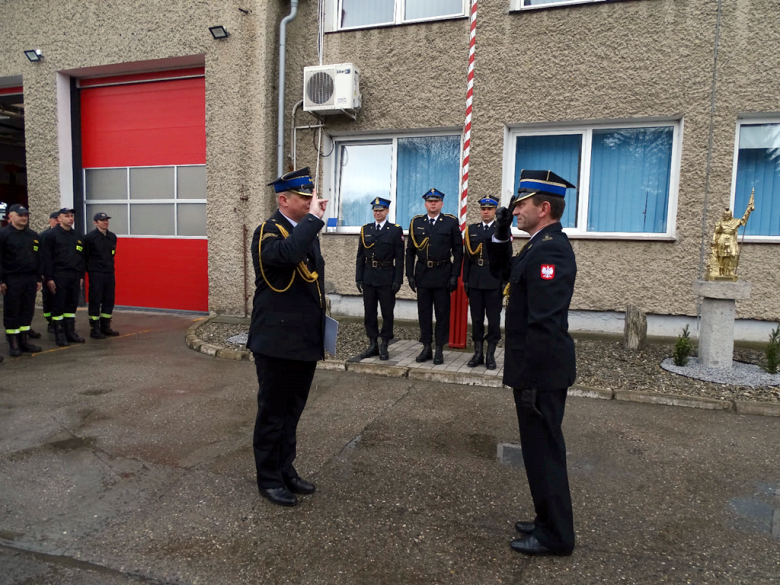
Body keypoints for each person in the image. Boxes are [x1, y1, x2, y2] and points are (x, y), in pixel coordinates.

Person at [488, 170, 578, 557]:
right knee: (538, 452)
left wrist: (533, 383)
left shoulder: (551, 249)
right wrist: (501, 232)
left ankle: (556, 536)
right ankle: (546, 521)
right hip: (535, 370)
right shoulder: (537, 244)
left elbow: (544, 321)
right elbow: (502, 273)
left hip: (541, 372)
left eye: (520, 205)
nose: (515, 209)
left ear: (544, 208)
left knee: (544, 454)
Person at [247, 167, 327, 508]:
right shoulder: (268, 232)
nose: (311, 203)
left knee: (292, 411)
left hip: (303, 340)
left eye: (311, 197)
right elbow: (287, 256)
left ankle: (285, 469)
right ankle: (268, 478)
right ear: (284, 200)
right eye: (304, 198)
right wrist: (314, 221)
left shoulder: (304, 232)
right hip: (277, 342)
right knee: (273, 413)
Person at [405, 188, 463, 365]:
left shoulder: (450, 222)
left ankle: (439, 348)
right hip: (422, 273)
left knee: (442, 313)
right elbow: (410, 252)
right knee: (424, 313)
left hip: (443, 273)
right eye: (430, 201)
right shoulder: (416, 222)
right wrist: (410, 275)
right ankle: (426, 347)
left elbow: (458, 251)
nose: (433, 204)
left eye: (436, 201)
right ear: (425, 204)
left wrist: (454, 276)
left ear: (442, 204)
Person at [355, 197, 404, 361]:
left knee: (387, 313)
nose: (377, 213)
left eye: (381, 210)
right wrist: (358, 277)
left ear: (387, 211)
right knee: (369, 312)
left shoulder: (395, 230)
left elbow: (400, 257)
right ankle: (372, 343)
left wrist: (398, 279)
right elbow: (360, 255)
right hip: (369, 276)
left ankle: (384, 343)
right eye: (375, 210)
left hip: (387, 276)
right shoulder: (365, 229)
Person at [463, 196, 503, 369]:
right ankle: (478, 353)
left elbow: (505, 258)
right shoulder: (472, 229)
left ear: (495, 211)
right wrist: (465, 280)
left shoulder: (502, 230)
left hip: (494, 280)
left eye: (489, 209)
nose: (486, 211)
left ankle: (490, 354)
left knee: (493, 320)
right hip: (476, 280)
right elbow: (467, 257)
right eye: (483, 209)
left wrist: (505, 282)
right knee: (477, 318)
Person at [0, 204, 43, 357]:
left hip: (30, 279)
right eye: (20, 215)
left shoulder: (32, 235)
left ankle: (24, 341)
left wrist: (38, 278)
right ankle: (13, 343)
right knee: (13, 312)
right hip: (12, 279)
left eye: (26, 215)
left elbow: (38, 258)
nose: (24, 218)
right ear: (10, 217)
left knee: (27, 311)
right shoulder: (3, 234)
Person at [42, 208, 86, 347]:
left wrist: (80, 275)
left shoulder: (77, 236)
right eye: (66, 216)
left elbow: (81, 257)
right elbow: (46, 259)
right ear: (59, 219)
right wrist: (49, 278)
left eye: (72, 216)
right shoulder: (51, 235)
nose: (70, 218)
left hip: (73, 276)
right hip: (58, 275)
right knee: (58, 306)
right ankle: (59, 334)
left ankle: (70, 332)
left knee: (71, 305)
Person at [84, 212, 119, 339]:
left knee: (109, 299)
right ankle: (95, 328)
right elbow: (85, 256)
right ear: (96, 222)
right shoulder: (89, 238)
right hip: (96, 274)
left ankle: (106, 326)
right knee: (95, 299)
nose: (105, 222)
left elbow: (112, 254)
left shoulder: (112, 237)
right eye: (102, 220)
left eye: (106, 220)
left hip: (109, 273)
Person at [38, 211, 60, 333]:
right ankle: (49, 322)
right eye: (55, 219)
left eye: (58, 219)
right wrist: (41, 273)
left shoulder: (63, 235)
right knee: (48, 298)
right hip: (46, 273)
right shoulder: (43, 236)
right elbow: (40, 256)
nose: (57, 221)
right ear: (50, 221)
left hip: (59, 273)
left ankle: (59, 323)